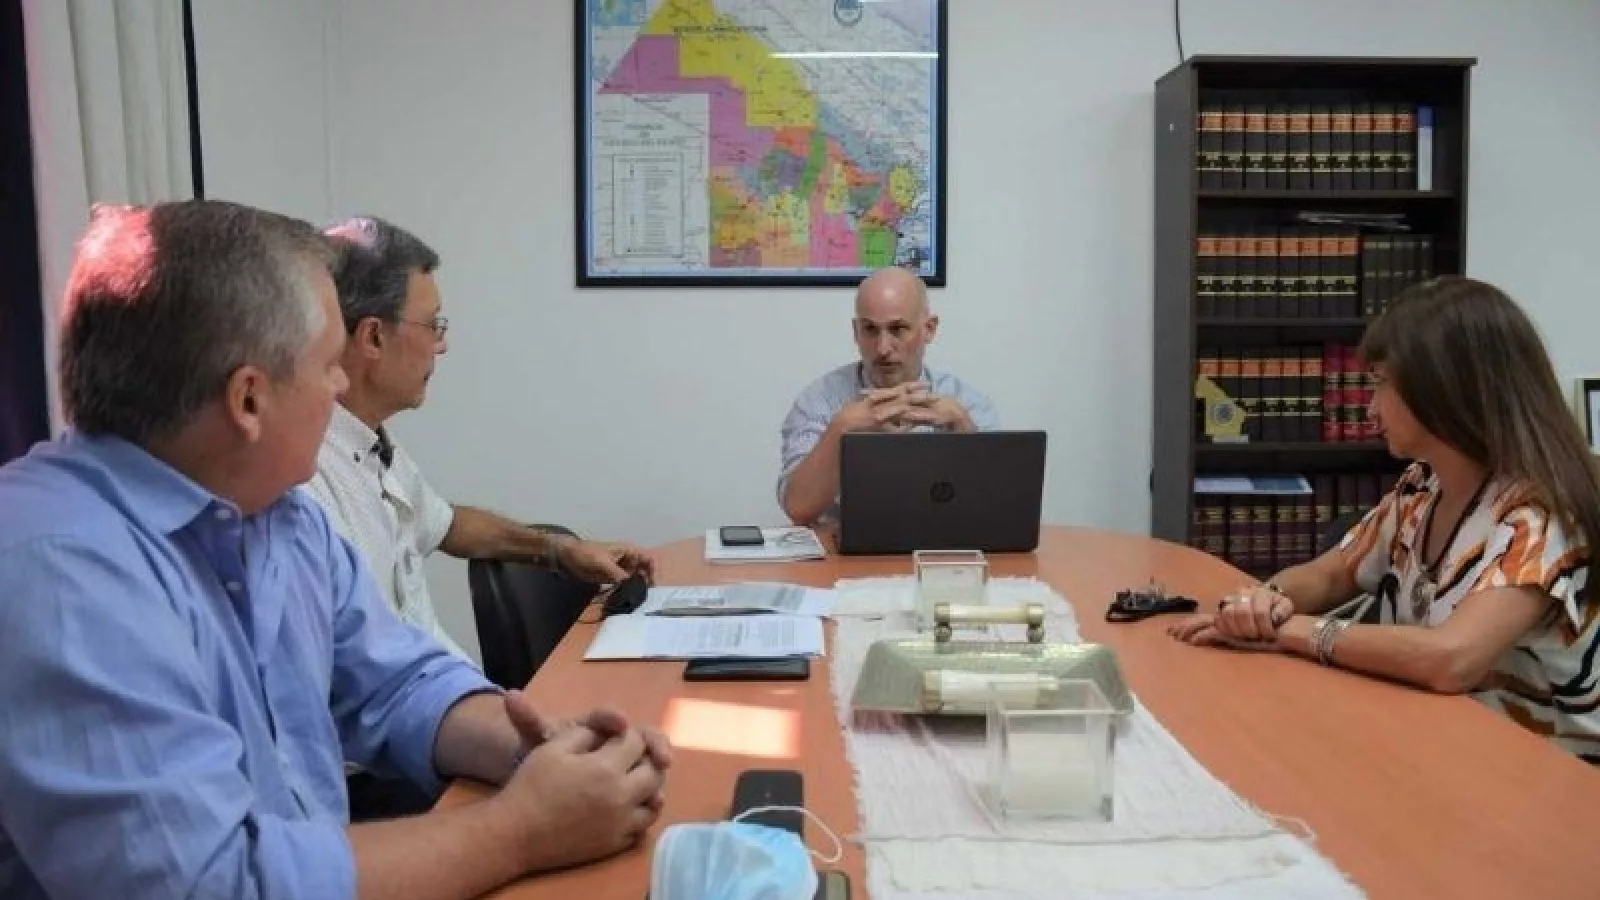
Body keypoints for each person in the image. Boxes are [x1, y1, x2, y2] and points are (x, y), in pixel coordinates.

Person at [0, 200, 671, 899]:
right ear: (249, 399)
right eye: (327, 365)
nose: (342, 385)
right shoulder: (57, 574)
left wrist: (548, 750)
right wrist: (522, 829)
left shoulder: (277, 513)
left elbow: (398, 684)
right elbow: (210, 885)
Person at [1169, 276, 1600, 762]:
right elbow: (1332, 572)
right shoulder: (1423, 486)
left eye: (1380, 384)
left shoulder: (1540, 517)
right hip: (1441, 743)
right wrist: (1263, 601)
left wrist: (1288, 631)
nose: (1371, 409)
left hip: (1545, 775)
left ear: (1443, 389)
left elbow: (1451, 659)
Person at [306, 215, 654, 663]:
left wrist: (562, 550)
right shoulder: (309, 482)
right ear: (374, 336)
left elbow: (449, 525)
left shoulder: (370, 445)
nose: (442, 345)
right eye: (433, 325)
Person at [777, 266, 1000, 525]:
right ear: (856, 332)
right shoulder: (821, 399)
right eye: (870, 329)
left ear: (929, 329)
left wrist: (963, 430)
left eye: (898, 329)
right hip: (843, 545)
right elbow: (798, 508)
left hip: (939, 542)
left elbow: (995, 509)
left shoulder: (966, 402)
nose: (883, 349)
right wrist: (841, 429)